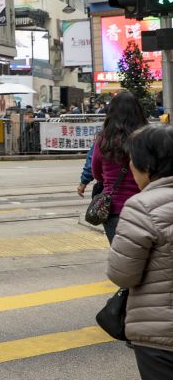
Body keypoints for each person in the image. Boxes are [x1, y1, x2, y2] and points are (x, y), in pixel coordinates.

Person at [108, 123, 173, 379]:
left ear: (148, 166)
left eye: (133, 160)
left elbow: (123, 274)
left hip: (160, 336)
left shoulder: (141, 207)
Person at [92, 91, 148, 243]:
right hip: (145, 207)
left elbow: (97, 173)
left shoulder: (104, 139)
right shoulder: (147, 137)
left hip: (113, 208)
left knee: (121, 256)